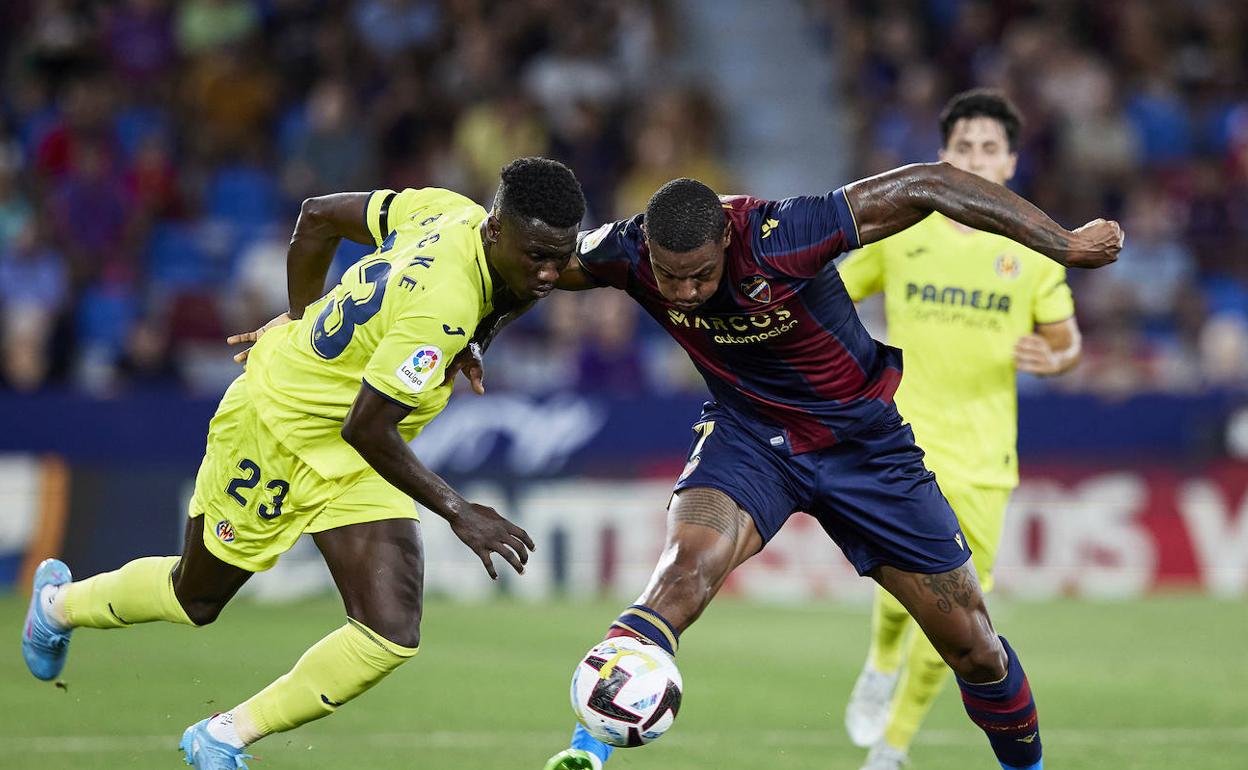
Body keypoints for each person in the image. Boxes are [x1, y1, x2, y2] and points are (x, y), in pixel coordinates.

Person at [502, 160, 1119, 770]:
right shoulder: (628, 249)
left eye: (700, 275)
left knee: (976, 649)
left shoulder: (784, 234)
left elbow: (933, 183)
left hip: (865, 448)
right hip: (749, 438)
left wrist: (1058, 243)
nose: (686, 292)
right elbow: (531, 268)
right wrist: (476, 336)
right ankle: (588, 750)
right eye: (670, 278)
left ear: (725, 236)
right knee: (684, 570)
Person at [21, 157, 586, 769]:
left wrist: (306, 319)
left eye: (562, 256)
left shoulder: (447, 210)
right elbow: (368, 424)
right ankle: (57, 606)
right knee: (196, 600)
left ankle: (224, 738)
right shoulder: (441, 307)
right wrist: (458, 511)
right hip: (277, 425)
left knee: (390, 632)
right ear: (497, 230)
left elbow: (318, 218)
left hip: (351, 449)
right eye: (537, 256)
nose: (551, 272)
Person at [837, 89, 1083, 770]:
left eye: (989, 148)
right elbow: (829, 294)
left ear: (1010, 162)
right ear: (944, 156)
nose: (976, 157)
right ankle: (881, 662)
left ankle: (892, 748)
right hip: (903, 443)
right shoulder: (905, 232)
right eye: (963, 147)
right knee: (905, 593)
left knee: (963, 617)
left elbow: (1067, 342)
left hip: (984, 458)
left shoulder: (1032, 250)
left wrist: (1054, 357)